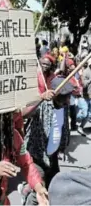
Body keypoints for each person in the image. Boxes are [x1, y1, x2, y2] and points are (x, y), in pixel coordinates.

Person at [21, 77, 74, 205]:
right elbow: (23, 114)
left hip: (52, 156)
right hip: (37, 154)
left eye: (69, 96)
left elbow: (62, 128)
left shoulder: (64, 105)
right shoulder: (43, 104)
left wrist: (63, 146)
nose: (68, 100)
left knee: (54, 188)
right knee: (39, 191)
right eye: (64, 96)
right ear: (55, 94)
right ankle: (28, 197)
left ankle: (27, 189)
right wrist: (40, 98)